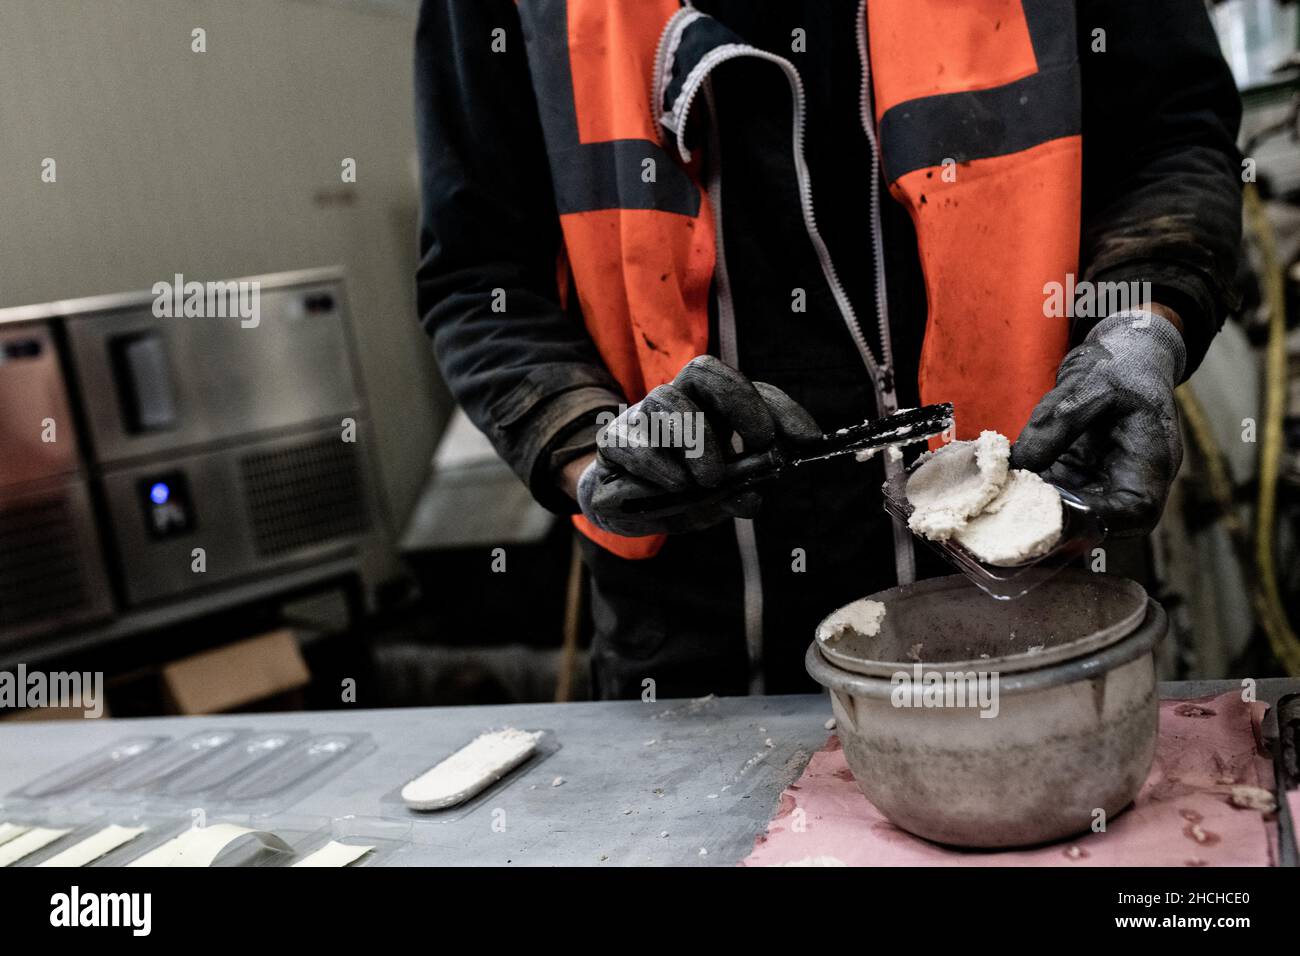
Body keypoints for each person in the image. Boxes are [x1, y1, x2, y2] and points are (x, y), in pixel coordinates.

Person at [414, 0, 1243, 699]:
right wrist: (591, 450)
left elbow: (1168, 137)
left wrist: (1143, 323)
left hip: (1037, 578)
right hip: (693, 650)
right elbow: (479, 273)